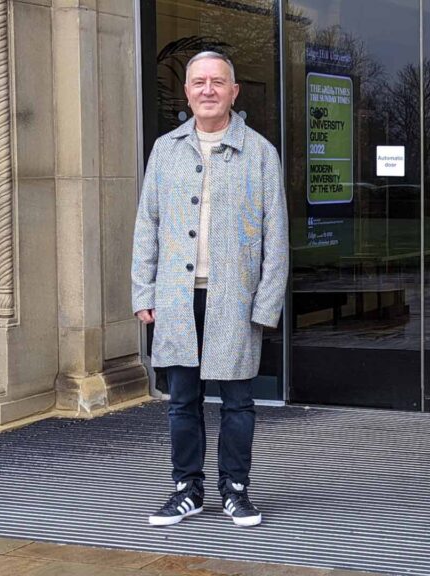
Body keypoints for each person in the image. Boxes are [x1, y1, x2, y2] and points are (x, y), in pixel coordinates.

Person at [131, 51, 288, 527]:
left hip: (235, 300)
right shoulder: (165, 150)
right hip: (177, 298)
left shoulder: (259, 152)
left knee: (238, 401)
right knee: (182, 400)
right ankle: (187, 490)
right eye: (198, 82)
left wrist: (266, 304)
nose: (207, 90)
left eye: (217, 82)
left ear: (233, 92)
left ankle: (235, 490)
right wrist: (144, 292)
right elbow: (147, 225)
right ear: (187, 91)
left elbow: (275, 236)